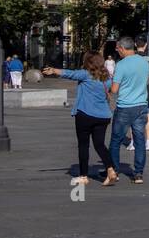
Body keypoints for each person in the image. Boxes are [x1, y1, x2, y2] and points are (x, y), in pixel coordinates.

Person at [43, 53, 116, 186]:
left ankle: (83, 176)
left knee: (83, 145)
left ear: (88, 62)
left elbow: (69, 73)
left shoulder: (85, 74)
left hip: (85, 114)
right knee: (100, 145)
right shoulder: (107, 78)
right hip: (103, 116)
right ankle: (110, 169)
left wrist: (53, 70)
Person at [107, 37, 149, 184]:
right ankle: (138, 173)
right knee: (139, 140)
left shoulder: (121, 65)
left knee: (115, 140)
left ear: (123, 48)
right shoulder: (144, 62)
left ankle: (114, 170)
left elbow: (114, 89)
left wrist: (107, 86)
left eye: (118, 49)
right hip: (141, 106)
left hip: (125, 106)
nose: (117, 52)